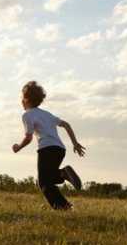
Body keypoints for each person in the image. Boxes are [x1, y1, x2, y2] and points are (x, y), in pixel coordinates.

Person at [11, 81, 86, 210]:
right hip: (60, 149)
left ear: (27, 99)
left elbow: (28, 138)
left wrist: (18, 147)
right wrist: (75, 143)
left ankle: (63, 178)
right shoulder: (46, 114)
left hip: (47, 149)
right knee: (48, 180)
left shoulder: (27, 115)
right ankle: (64, 205)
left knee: (43, 182)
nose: (21, 101)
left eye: (22, 98)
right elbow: (66, 124)